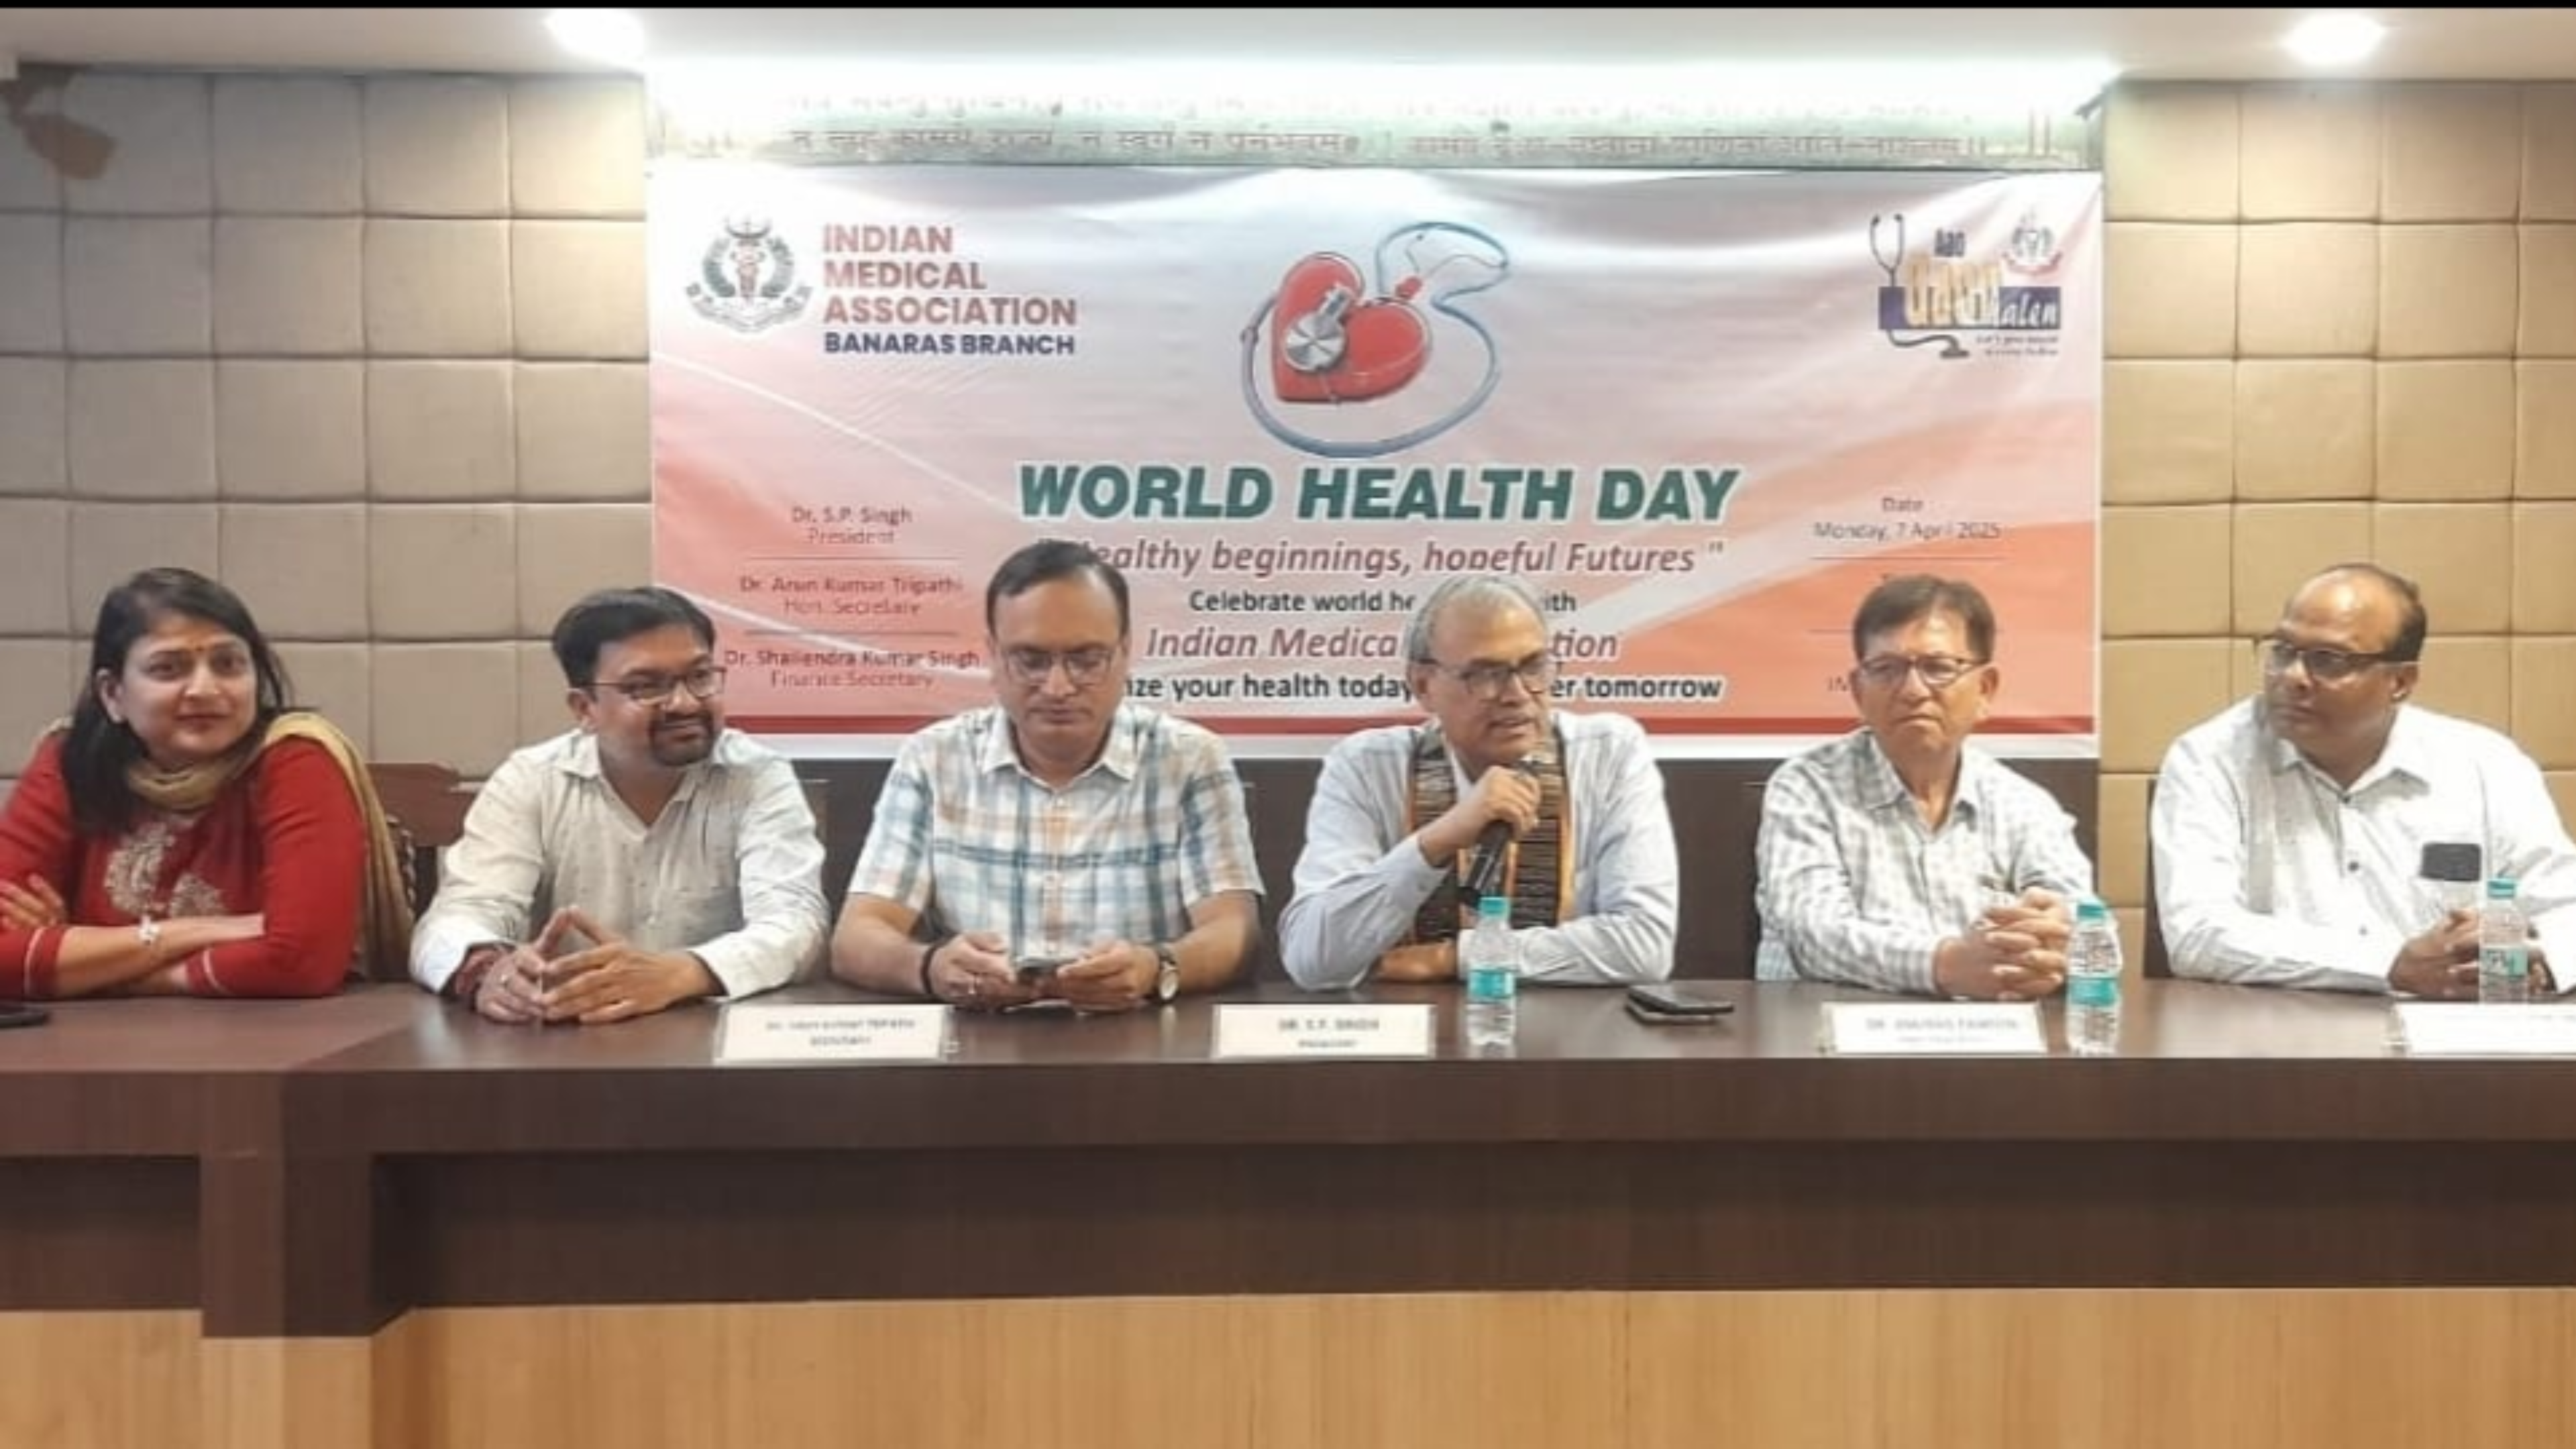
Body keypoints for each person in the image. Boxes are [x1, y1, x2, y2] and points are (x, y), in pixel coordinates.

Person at [831, 540, 1260, 1011]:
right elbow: (857, 937)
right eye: (1031, 661)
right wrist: (932, 968)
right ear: (993, 657)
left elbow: (1235, 934)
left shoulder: (1190, 759)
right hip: (977, 1040)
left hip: (1145, 1040)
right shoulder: (934, 759)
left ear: (1125, 654)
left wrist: (1156, 968)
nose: (1058, 687)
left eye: (1087, 660)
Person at [2154, 562, 2576, 997]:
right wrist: (2391, 964)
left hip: (2452, 1029)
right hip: (2276, 1030)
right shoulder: (2210, 760)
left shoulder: (2485, 765)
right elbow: (2198, 931)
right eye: (2282, 650)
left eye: (2328, 660)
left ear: (2401, 681)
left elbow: (2566, 905)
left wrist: (2539, 965)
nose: (2293, 676)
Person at [409, 586, 826, 1023]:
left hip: (712, 1038)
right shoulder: (532, 779)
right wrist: (487, 971)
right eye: (646, 687)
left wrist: (680, 974)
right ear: (584, 708)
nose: (685, 703)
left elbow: (796, 925)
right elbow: (455, 919)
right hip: (564, 1037)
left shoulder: (756, 776)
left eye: (700, 677)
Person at [0, 567, 409, 998]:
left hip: (279, 1033)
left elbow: (300, 960)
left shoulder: (296, 760)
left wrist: (87, 961)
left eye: (227, 664)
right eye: (168, 669)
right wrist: (204, 932)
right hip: (95, 1038)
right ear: (113, 694)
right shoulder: (70, 759)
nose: (204, 689)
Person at [1279, 576, 1676, 988]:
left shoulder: (1608, 754)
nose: (1517, 694)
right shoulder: (1367, 768)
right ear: (1423, 685)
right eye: (1486, 674)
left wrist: (1456, 958)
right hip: (1410, 1027)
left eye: (1533, 666)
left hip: (1566, 1025)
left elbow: (1644, 946)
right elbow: (1312, 960)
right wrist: (1435, 842)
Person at [1757, 574, 2090, 997]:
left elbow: (2096, 936)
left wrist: (2056, 944)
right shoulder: (1807, 789)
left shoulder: (2022, 803)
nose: (1913, 691)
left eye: (1938, 668)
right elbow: (1814, 935)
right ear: (1858, 691)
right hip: (1826, 1031)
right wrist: (1947, 965)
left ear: (1985, 689)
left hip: (1985, 1035)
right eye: (1886, 669)